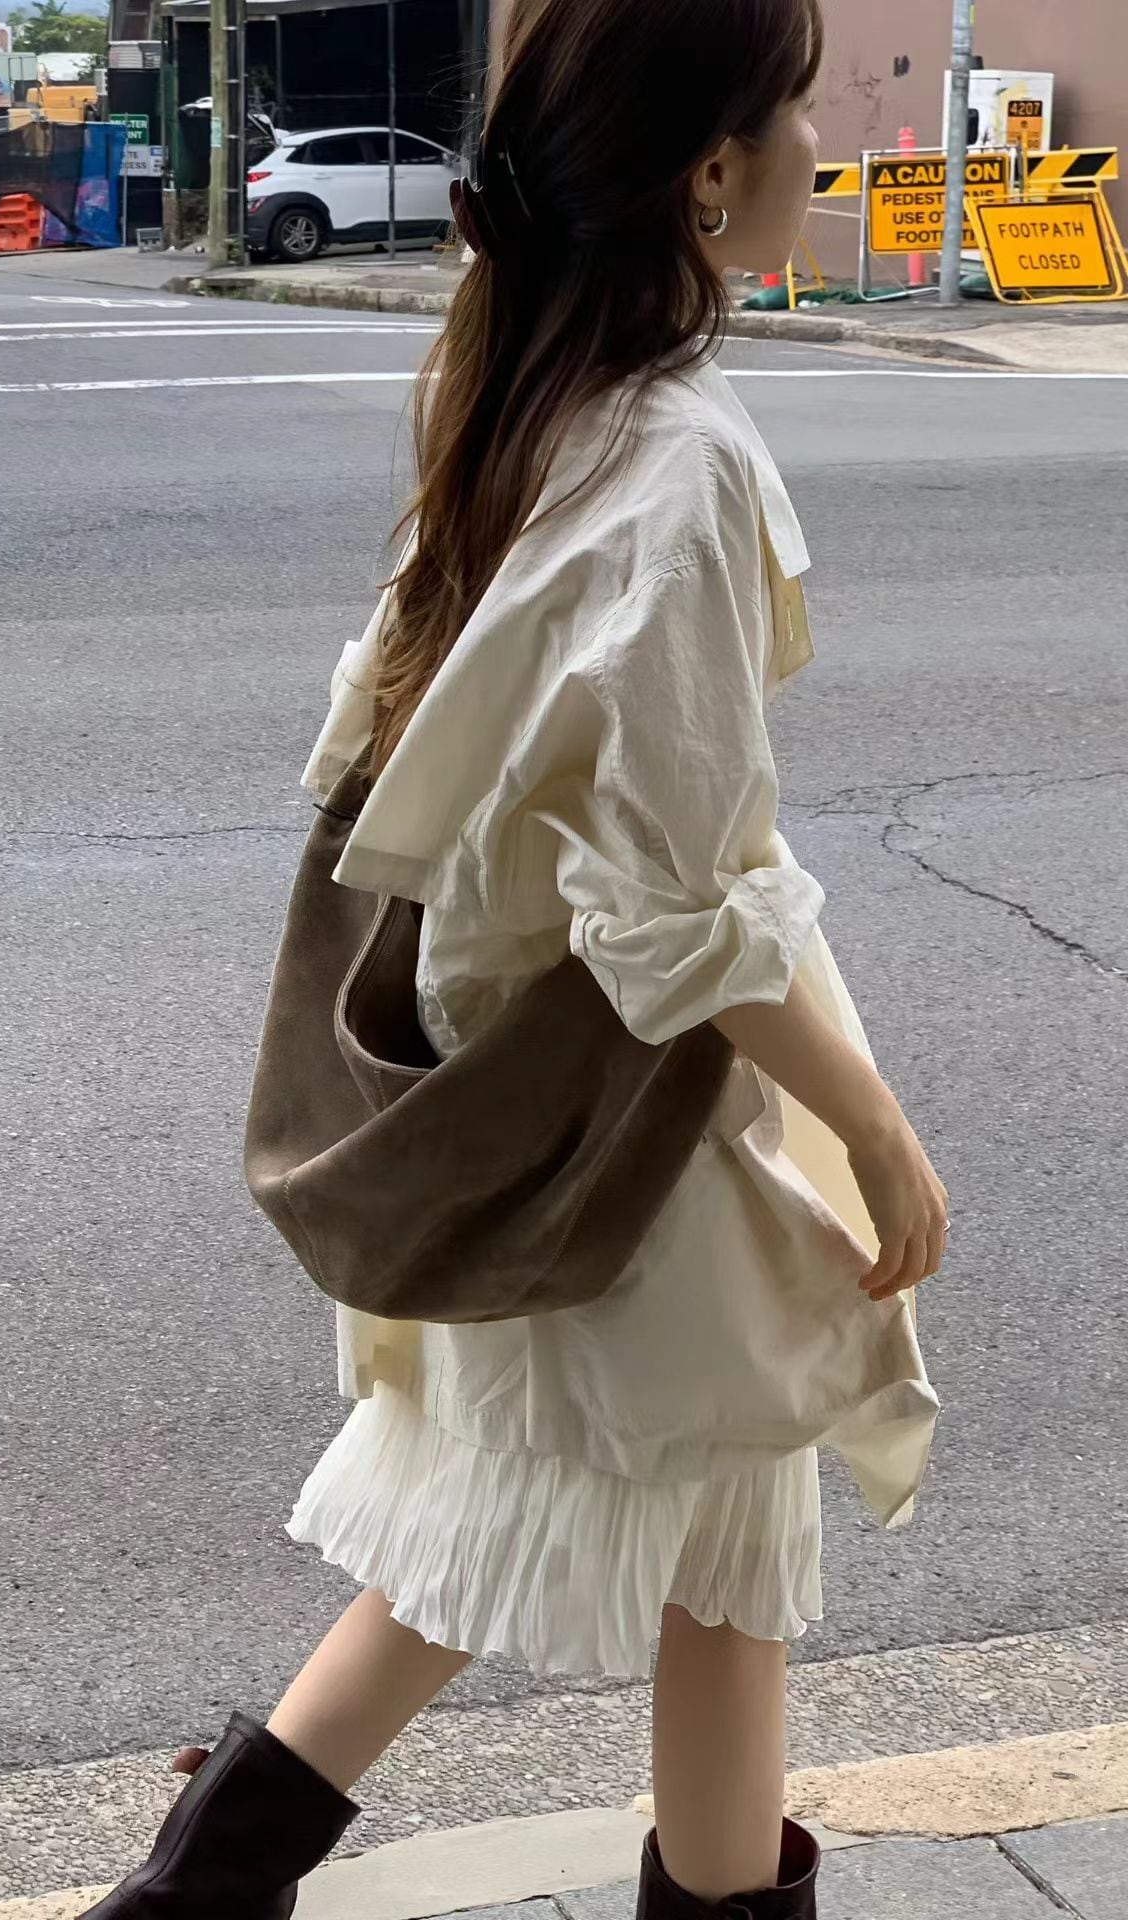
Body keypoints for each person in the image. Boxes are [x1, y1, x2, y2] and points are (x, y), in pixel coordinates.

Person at [79, 0, 948, 1915]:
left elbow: (386, 756)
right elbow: (672, 913)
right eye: (795, 106)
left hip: (537, 1074)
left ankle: (198, 1890)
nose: (821, 142)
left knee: (685, 1535)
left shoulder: (526, 393)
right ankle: (195, 1897)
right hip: (633, 1108)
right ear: (708, 172)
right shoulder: (680, 458)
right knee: (592, 1521)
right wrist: (880, 1134)